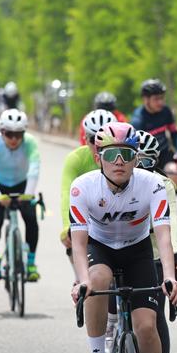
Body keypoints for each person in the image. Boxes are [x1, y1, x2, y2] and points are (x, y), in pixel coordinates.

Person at [69, 122, 177, 353]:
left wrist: (170, 277)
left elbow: (163, 236)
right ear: (99, 158)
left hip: (137, 251)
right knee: (97, 279)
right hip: (99, 247)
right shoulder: (83, 187)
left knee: (147, 326)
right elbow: (78, 244)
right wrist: (81, 281)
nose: (119, 161)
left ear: (135, 159)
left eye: (126, 155)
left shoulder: (153, 185)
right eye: (112, 154)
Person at [137, 129, 177, 353]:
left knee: (155, 312)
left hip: (155, 251)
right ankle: (110, 335)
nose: (141, 168)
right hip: (123, 249)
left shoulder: (161, 184)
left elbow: (172, 221)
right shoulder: (117, 180)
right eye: (137, 160)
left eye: (148, 162)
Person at [0, 109, 41, 282]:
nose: (14, 139)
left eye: (18, 134)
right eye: (9, 134)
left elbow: (34, 168)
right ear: (1, 132)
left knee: (31, 219)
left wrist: (29, 194)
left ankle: (31, 262)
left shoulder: (30, 142)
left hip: (22, 185)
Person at [60, 109, 117, 257]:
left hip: (119, 216)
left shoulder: (125, 159)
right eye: (94, 140)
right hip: (89, 215)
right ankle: (80, 278)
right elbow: (67, 194)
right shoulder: (76, 159)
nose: (100, 146)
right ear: (85, 139)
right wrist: (68, 226)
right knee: (74, 240)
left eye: (105, 139)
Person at [130, 79, 177, 184]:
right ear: (146, 99)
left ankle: (170, 199)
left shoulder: (165, 111)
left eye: (162, 98)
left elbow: (175, 134)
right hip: (145, 156)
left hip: (163, 153)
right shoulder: (138, 120)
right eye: (156, 99)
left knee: (174, 172)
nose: (161, 102)